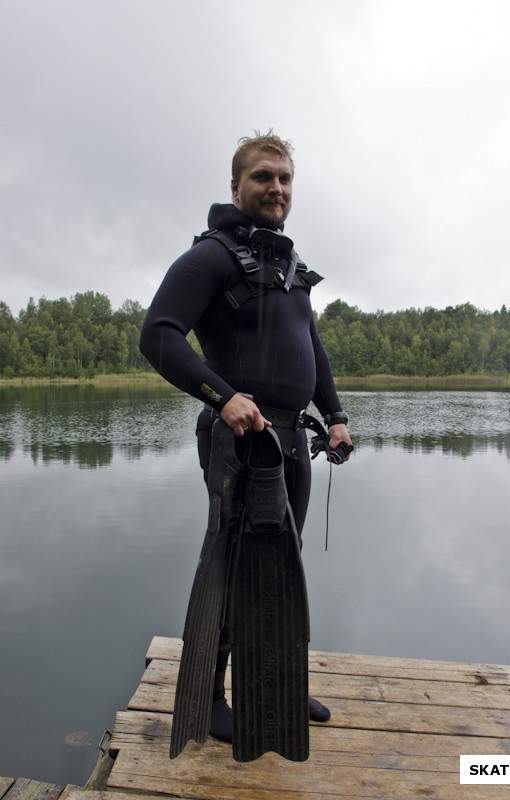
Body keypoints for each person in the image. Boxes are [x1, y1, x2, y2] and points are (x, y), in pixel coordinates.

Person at [139, 130, 352, 744]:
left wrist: (333, 414)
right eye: (263, 176)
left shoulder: (286, 269)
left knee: (282, 569)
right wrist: (222, 396)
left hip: (291, 444)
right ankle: (207, 698)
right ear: (236, 186)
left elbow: (311, 346)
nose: (276, 188)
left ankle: (276, 683)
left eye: (284, 179)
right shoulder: (210, 257)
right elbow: (158, 335)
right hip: (240, 443)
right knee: (232, 571)